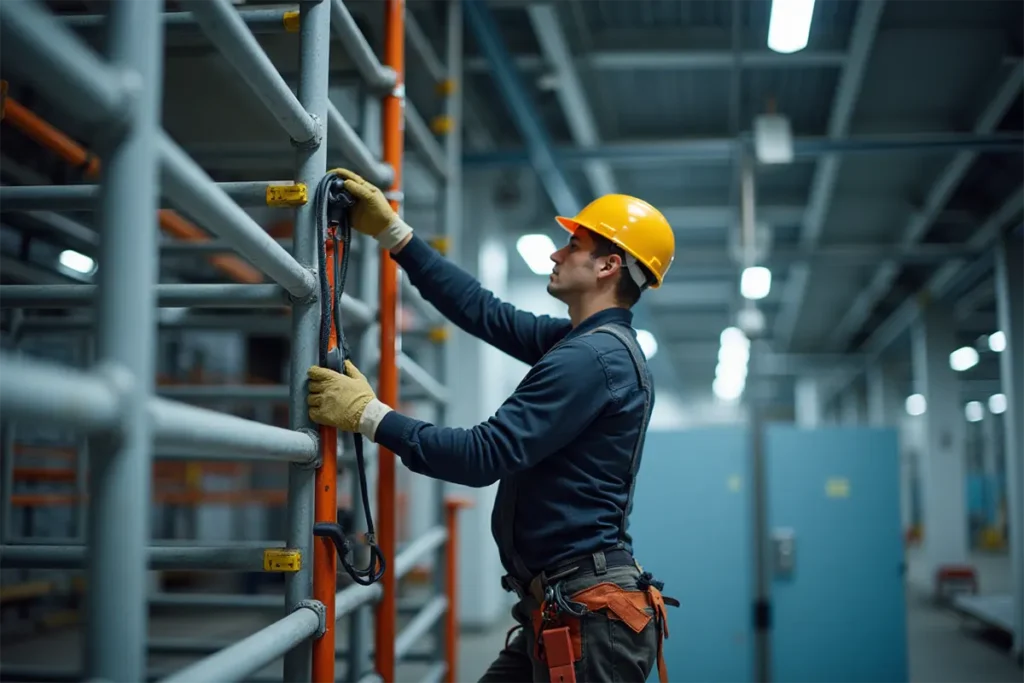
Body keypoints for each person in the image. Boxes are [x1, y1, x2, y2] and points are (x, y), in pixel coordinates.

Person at [306, 168, 678, 683]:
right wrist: (397, 236)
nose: (555, 254)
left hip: (589, 624)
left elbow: (484, 455)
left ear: (608, 265)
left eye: (573, 245)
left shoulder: (592, 359)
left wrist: (369, 415)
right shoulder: (584, 345)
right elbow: (484, 312)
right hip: (560, 609)